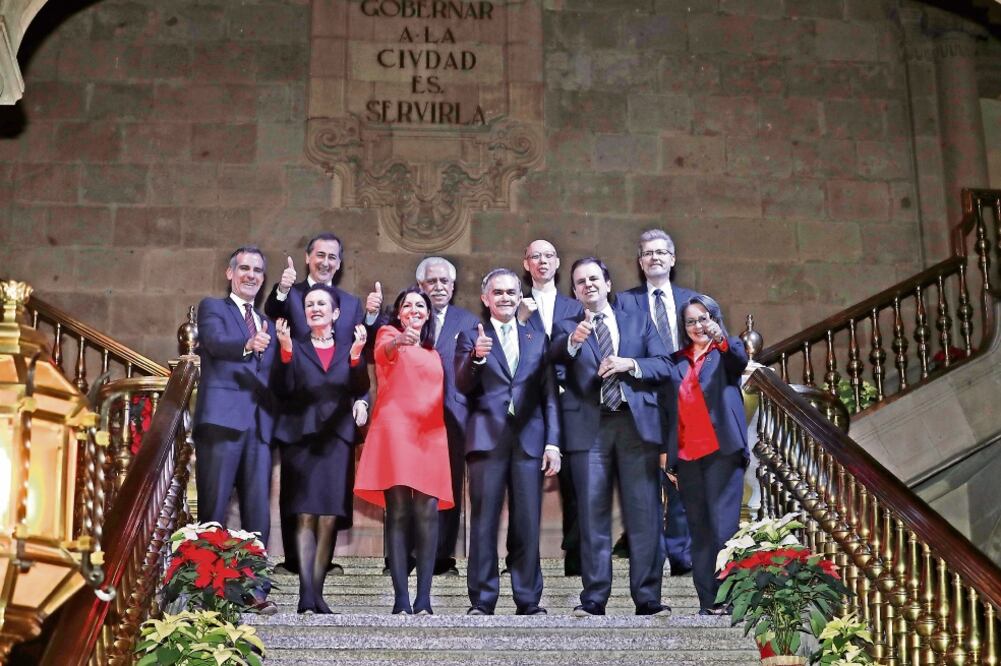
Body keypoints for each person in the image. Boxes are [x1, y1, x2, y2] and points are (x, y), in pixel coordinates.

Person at [550, 257, 672, 617]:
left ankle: (648, 598)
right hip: (590, 428)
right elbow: (555, 359)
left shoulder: (637, 319)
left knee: (644, 513)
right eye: (580, 282)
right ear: (574, 291)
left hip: (635, 426)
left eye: (594, 279)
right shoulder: (565, 325)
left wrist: (629, 364)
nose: (588, 285)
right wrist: (573, 342)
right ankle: (594, 597)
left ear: (607, 283)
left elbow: (665, 363)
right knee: (591, 514)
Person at [264, 232, 377, 575]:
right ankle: (295, 561)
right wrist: (283, 290)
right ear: (308, 258)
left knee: (331, 490)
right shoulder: (294, 294)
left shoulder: (351, 303)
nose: (326, 262)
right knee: (296, 490)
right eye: (320, 255)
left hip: (337, 412)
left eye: (333, 257)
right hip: (299, 408)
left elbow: (359, 351)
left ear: (339, 264)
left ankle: (321, 563)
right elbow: (272, 310)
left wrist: (371, 317)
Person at [455, 269, 561, 616]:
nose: (504, 298)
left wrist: (553, 443)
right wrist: (477, 358)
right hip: (487, 440)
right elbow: (461, 385)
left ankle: (528, 598)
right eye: (497, 292)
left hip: (528, 441)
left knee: (527, 521)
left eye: (511, 292)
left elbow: (549, 396)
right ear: (485, 298)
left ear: (520, 297)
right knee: (484, 521)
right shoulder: (471, 336)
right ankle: (483, 600)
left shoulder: (535, 336)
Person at [355, 287, 454, 615]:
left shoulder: (434, 351)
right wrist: (399, 340)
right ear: (398, 313)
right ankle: (400, 598)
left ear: (428, 313)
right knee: (398, 512)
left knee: (428, 513)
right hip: (395, 431)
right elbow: (383, 350)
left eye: (420, 305)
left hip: (430, 435)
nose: (414, 309)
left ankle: (424, 598)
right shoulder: (389, 332)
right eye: (407, 304)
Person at [272, 285, 370, 613]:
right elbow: (282, 388)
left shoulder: (348, 347)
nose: (315, 308)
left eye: (322, 304)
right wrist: (285, 352)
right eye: (309, 303)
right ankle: (304, 594)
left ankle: (317, 592)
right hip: (302, 439)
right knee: (305, 516)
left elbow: (359, 387)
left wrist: (357, 355)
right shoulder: (294, 347)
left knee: (329, 517)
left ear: (336, 313)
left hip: (337, 440)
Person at [193, 246, 278, 613]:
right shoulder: (213, 307)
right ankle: (207, 592)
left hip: (258, 426)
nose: (251, 275)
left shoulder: (268, 324)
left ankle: (255, 592)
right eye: (244, 268)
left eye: (258, 270)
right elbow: (213, 342)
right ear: (230, 273)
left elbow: (272, 376)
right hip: (222, 420)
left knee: (257, 512)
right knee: (214, 508)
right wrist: (247, 344)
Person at [615, 229, 696, 575]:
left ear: (673, 259)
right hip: (640, 398)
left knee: (683, 475)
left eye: (662, 252)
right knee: (643, 478)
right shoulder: (623, 301)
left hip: (685, 398)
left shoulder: (693, 301)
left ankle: (682, 554)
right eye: (648, 253)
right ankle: (647, 550)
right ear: (640, 262)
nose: (655, 258)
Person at [665, 295, 749, 615]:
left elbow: (739, 358)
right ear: (683, 328)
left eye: (704, 318)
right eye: (691, 321)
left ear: (714, 318)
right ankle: (707, 601)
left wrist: (721, 338)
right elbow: (669, 413)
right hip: (687, 456)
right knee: (699, 530)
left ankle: (729, 598)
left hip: (722, 451)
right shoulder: (676, 361)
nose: (698, 325)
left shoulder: (725, 352)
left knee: (723, 527)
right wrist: (669, 459)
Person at [517, 239, 583, 576]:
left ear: (558, 263)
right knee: (520, 481)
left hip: (568, 398)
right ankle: (520, 560)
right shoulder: (514, 303)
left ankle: (576, 558)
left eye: (548, 256)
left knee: (575, 480)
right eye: (535, 257)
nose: (542, 262)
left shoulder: (575, 306)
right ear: (526, 264)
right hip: (525, 404)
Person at [416, 257, 480, 576]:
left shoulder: (468, 320)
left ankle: (442, 557)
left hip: (454, 415)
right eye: (432, 282)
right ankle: (404, 555)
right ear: (420, 286)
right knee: (407, 484)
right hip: (413, 417)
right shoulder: (410, 318)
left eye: (444, 282)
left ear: (453, 287)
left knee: (448, 486)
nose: (438, 287)